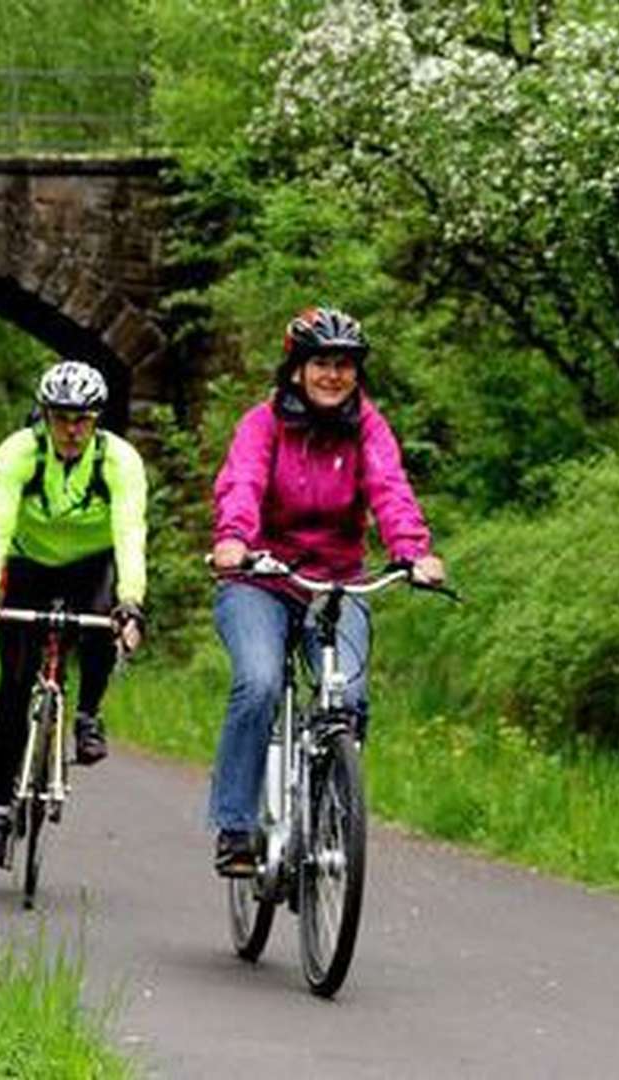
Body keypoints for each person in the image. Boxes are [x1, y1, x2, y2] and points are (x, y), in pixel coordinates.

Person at [207, 306, 445, 876]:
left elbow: (390, 489)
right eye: (322, 363)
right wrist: (234, 540)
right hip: (260, 578)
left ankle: (327, 804)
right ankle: (237, 826)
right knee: (260, 683)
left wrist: (412, 551)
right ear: (296, 370)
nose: (334, 375)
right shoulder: (262, 424)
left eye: (345, 365)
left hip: (335, 582)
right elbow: (242, 481)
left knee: (351, 697)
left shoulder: (368, 426)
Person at [0, 358, 147, 868]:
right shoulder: (17, 455)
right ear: (43, 415)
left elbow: (130, 534)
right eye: (61, 417)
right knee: (15, 681)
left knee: (101, 622)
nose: (71, 429)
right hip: (28, 566)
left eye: (83, 419)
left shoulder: (119, 462)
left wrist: (131, 602)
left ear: (97, 420)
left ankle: (88, 713)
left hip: (91, 567)